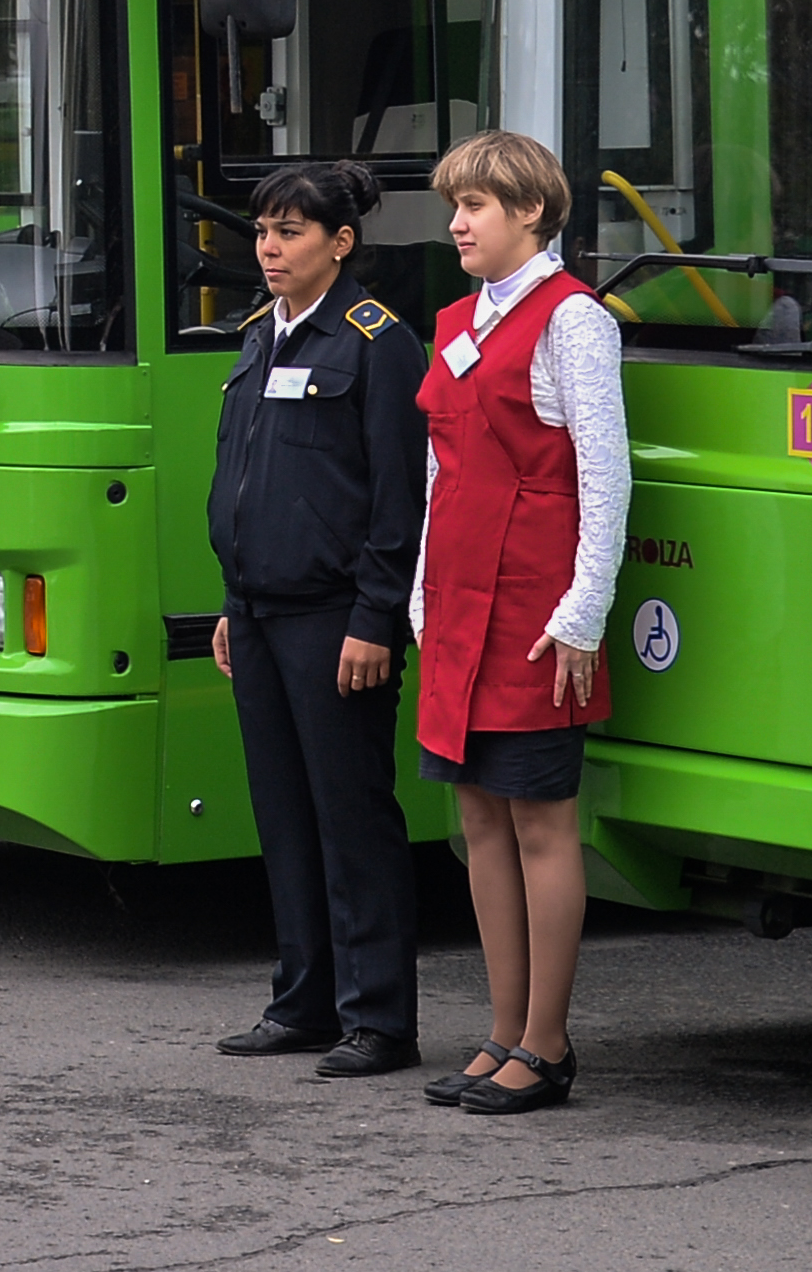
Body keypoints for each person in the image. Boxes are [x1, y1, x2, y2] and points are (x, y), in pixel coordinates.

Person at [407, 131, 626, 1115]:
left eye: (476, 205)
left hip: (535, 603)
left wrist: (581, 611)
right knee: (476, 821)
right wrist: (417, 591)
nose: (455, 222)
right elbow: (437, 468)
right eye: (454, 204)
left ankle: (545, 1043)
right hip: (457, 597)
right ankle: (499, 1031)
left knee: (539, 823)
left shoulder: (573, 320)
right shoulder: (457, 316)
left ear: (530, 212)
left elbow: (603, 472)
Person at [203, 157, 429, 1074]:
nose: (268, 248)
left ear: (341, 243)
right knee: (284, 815)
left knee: (352, 817)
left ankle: (379, 1019)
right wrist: (230, 602)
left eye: (290, 232)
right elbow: (244, 482)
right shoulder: (260, 335)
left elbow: (397, 496)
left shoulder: (376, 342)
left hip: (336, 616)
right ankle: (301, 1001)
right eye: (262, 231)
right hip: (258, 612)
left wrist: (376, 618)